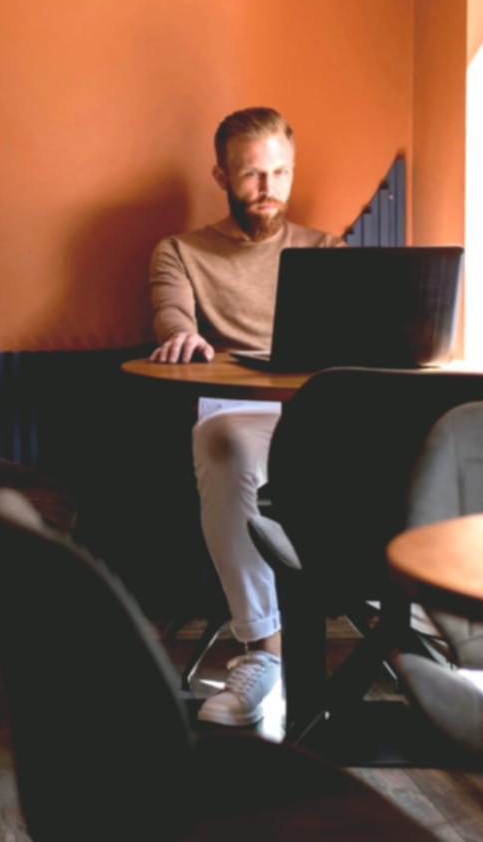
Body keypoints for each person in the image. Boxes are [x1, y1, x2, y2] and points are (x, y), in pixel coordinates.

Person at [147, 106, 342, 726]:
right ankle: (263, 652)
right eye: (254, 175)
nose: (268, 189)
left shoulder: (325, 249)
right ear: (221, 175)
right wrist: (183, 335)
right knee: (225, 445)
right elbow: (171, 313)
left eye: (280, 173)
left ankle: (432, 648)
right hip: (240, 414)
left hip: (320, 416)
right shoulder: (181, 251)